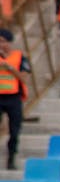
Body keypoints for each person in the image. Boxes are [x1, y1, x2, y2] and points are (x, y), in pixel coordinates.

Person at [0, 28, 29, 170]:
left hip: (13, 97)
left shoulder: (19, 57)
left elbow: (24, 77)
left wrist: (9, 68)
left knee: (14, 130)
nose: (1, 45)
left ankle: (11, 157)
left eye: (3, 41)